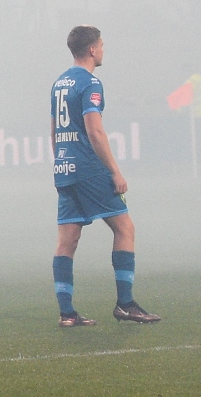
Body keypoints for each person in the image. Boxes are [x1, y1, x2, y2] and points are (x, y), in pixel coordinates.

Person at [49, 25, 160, 327]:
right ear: (92, 50)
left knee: (67, 240)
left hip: (65, 168)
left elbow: (54, 130)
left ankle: (67, 313)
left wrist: (59, 162)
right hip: (88, 167)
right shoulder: (91, 83)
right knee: (125, 228)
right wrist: (114, 171)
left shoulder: (59, 83)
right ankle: (125, 304)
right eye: (101, 45)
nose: (103, 49)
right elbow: (94, 129)